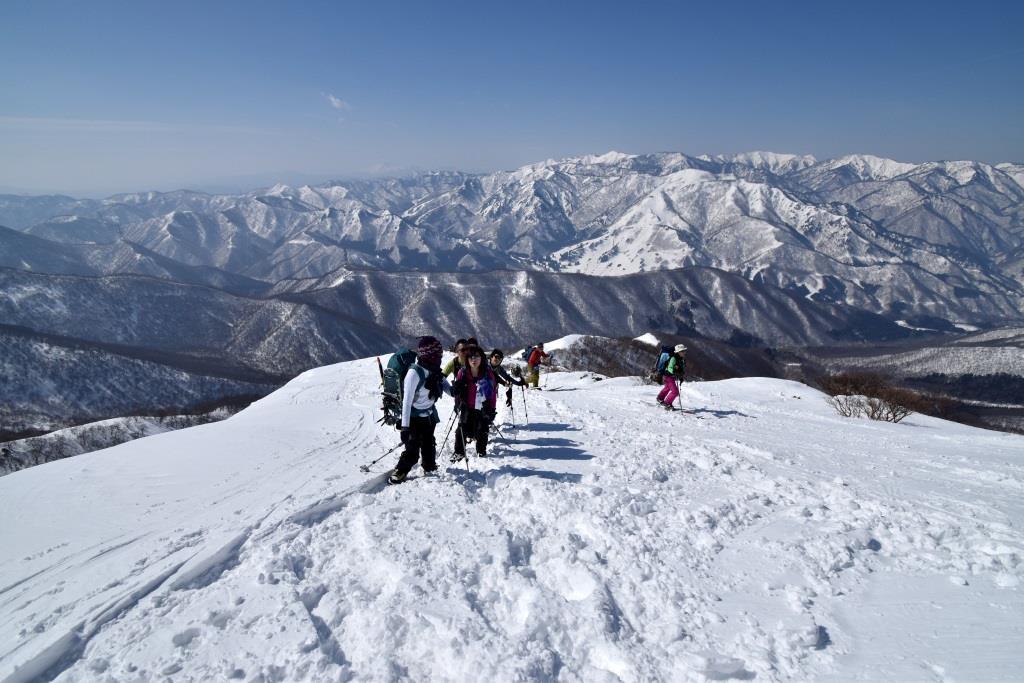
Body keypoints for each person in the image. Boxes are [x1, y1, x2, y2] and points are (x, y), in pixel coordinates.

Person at [389, 335, 452, 484]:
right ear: (429, 355)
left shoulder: (435, 370)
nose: (440, 357)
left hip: (429, 416)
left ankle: (429, 466)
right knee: (412, 448)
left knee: (429, 442)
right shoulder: (414, 373)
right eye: (438, 354)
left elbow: (449, 389)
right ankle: (401, 470)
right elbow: (406, 402)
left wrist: (459, 390)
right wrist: (405, 427)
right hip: (413, 418)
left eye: (440, 354)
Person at [451, 346, 498, 460]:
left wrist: (492, 409)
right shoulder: (462, 373)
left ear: (482, 358)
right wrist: (457, 403)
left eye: (477, 356)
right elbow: (457, 392)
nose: (474, 359)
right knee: (461, 430)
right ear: (467, 359)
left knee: (482, 430)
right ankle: (459, 452)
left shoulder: (487, 373)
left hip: (483, 407)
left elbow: (492, 393)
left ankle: (481, 452)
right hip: (467, 406)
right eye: (471, 357)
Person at [657, 344, 687, 410]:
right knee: (675, 392)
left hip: (670, 376)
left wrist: (680, 376)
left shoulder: (681, 359)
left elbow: (680, 369)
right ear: (678, 352)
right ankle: (667, 403)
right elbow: (670, 367)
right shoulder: (673, 358)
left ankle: (660, 398)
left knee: (667, 388)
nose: (685, 352)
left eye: (685, 351)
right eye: (683, 351)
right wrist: (675, 372)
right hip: (668, 376)